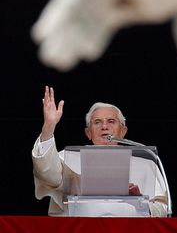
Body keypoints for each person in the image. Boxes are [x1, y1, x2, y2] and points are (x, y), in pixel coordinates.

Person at [32, 86, 168, 217]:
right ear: (88, 133)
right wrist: (49, 126)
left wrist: (141, 202)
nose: (104, 126)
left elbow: (162, 209)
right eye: (97, 122)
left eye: (111, 121)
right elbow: (46, 173)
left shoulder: (145, 165)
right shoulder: (67, 158)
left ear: (123, 131)